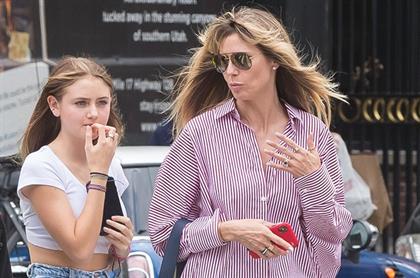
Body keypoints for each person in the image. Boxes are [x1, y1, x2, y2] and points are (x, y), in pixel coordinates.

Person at [148, 7, 353, 278]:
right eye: (223, 62)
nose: (230, 72)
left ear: (274, 60)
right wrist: (228, 230)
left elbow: (333, 233)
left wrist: (312, 178)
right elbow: (162, 234)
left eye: (242, 60)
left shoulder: (312, 134)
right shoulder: (199, 134)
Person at [17, 57, 133, 277]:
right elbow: (79, 250)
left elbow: (107, 248)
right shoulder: (41, 165)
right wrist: (98, 174)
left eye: (102, 102)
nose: (93, 113)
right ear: (54, 105)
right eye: (81, 103)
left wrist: (123, 244)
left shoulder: (110, 163)